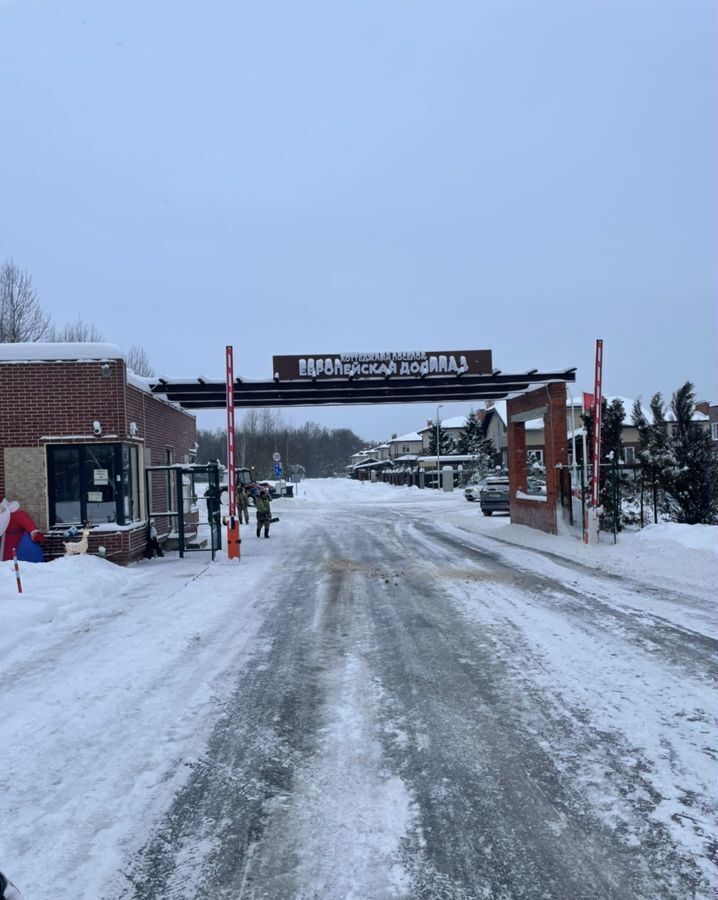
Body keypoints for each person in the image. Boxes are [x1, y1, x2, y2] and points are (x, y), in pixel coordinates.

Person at [0, 498, 44, 562]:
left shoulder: (4, 516)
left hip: (9, 545)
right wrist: (36, 535)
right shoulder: (20, 514)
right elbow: (31, 528)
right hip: (18, 543)